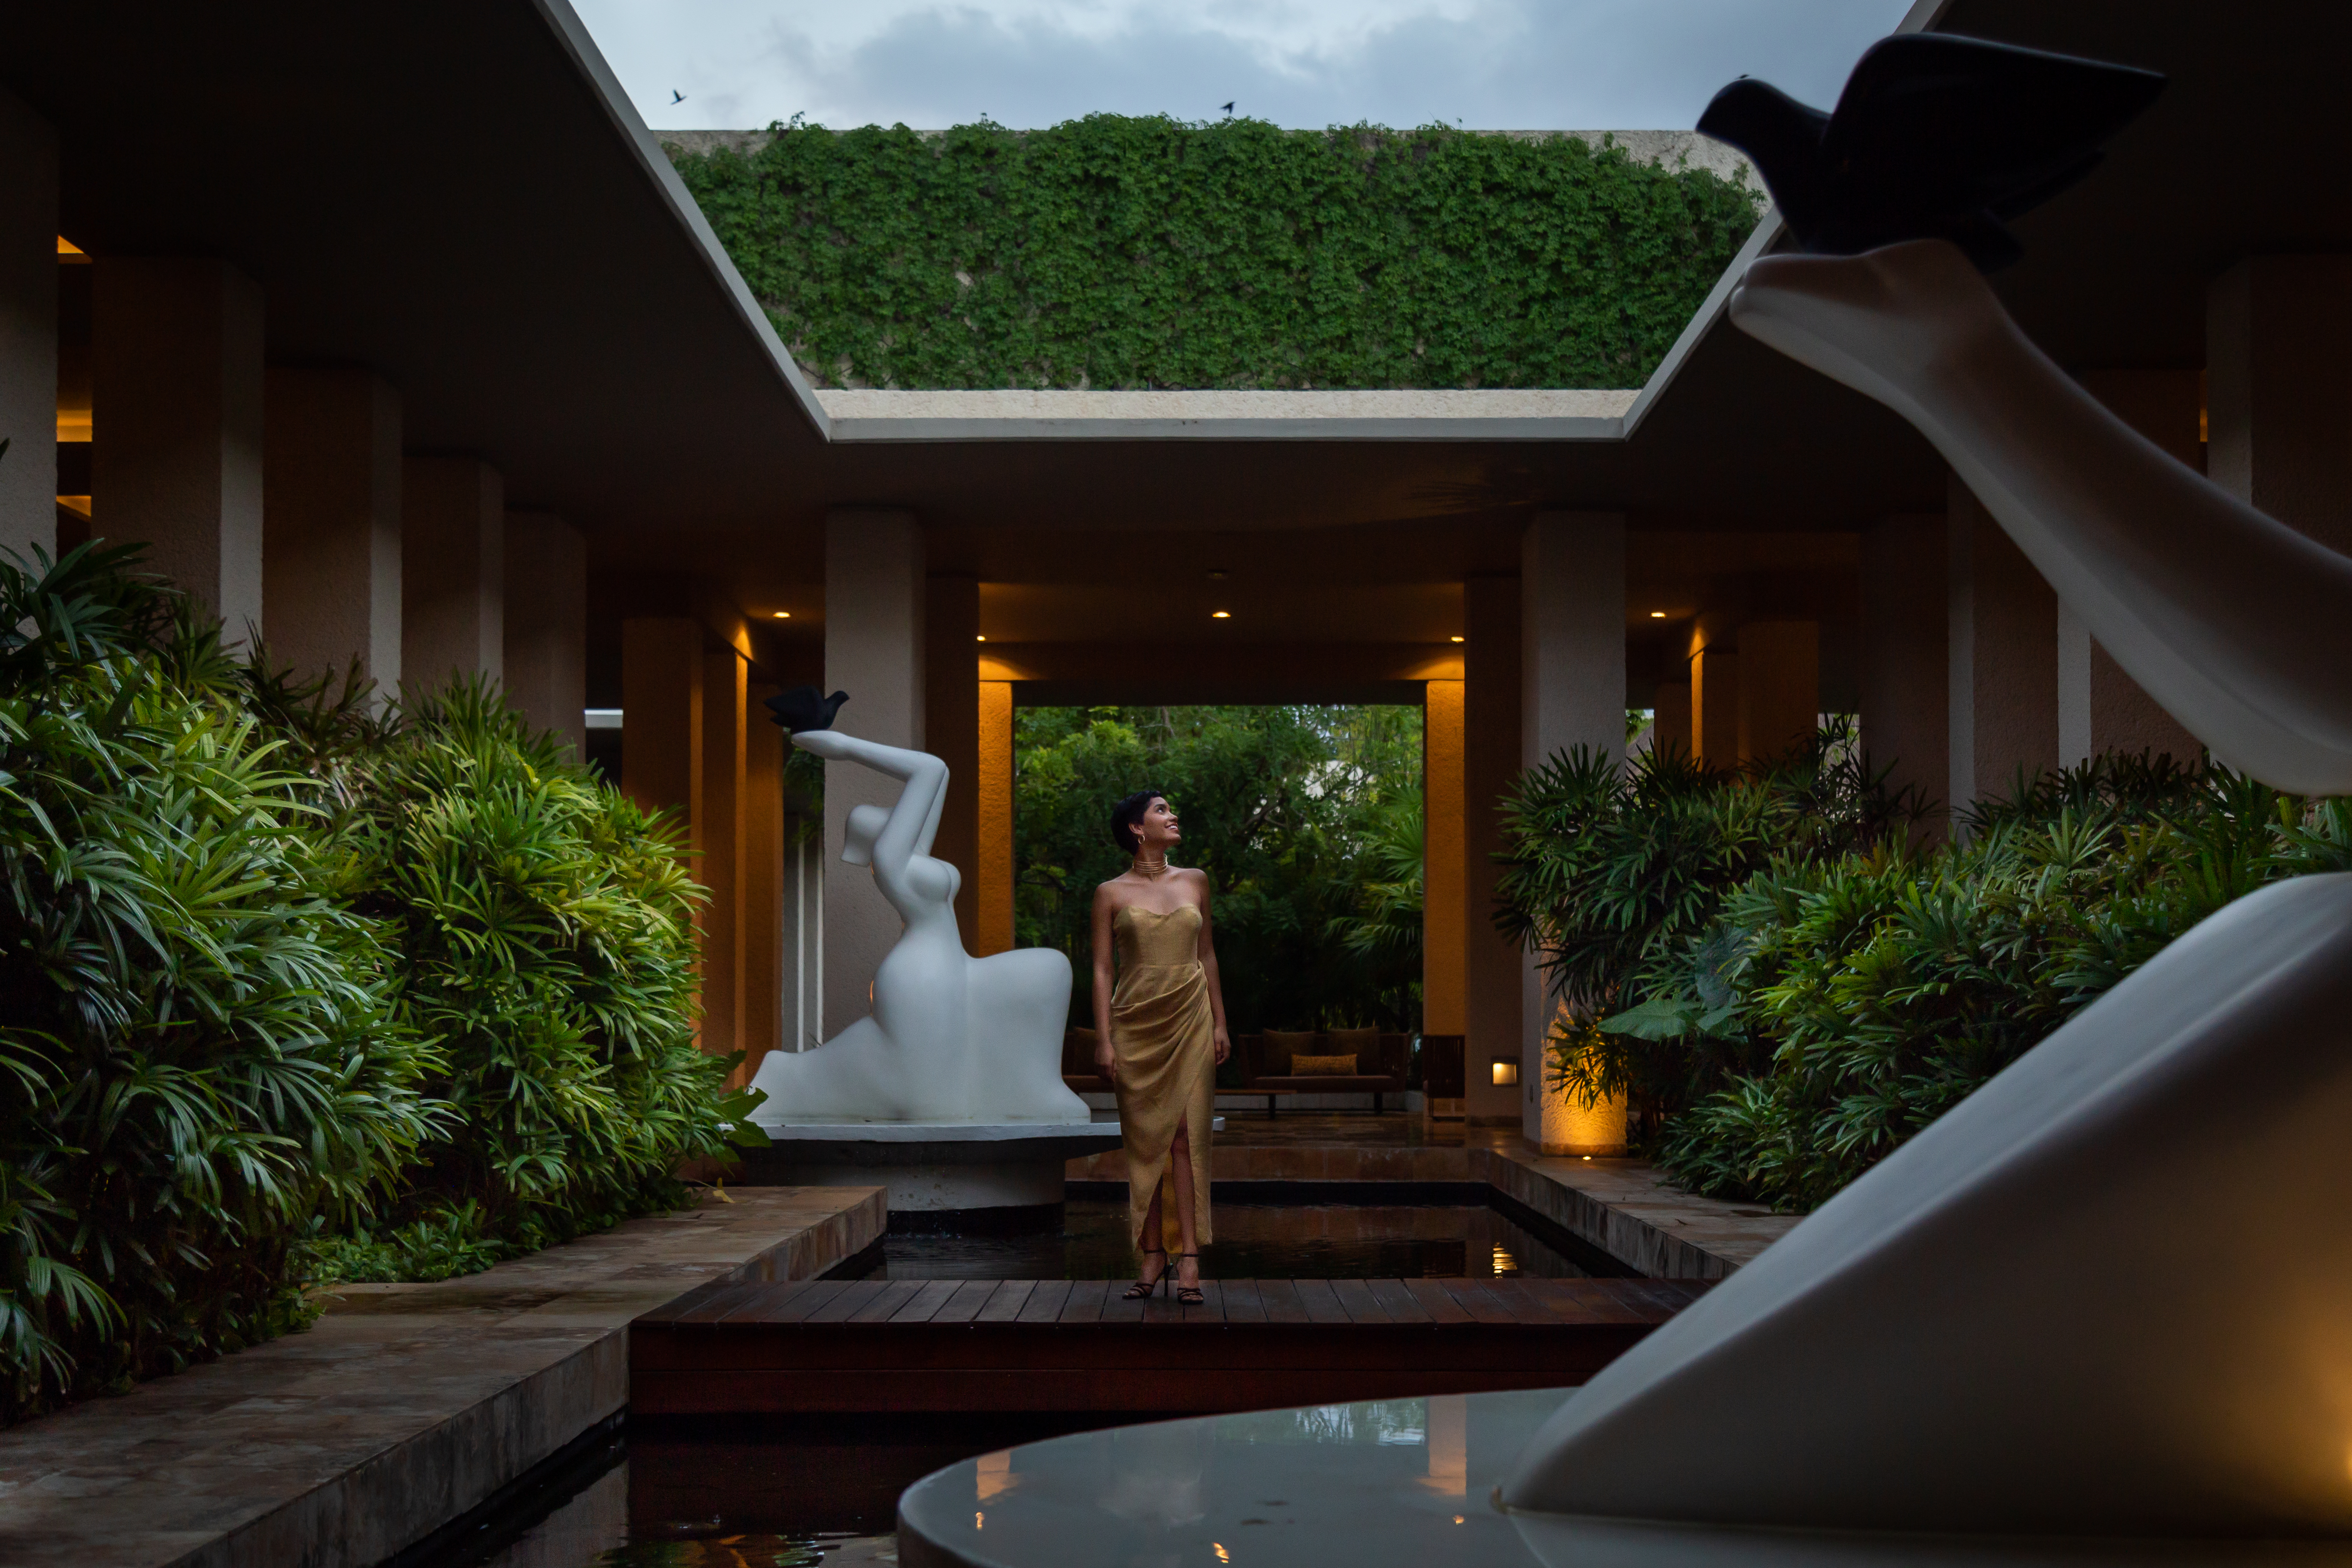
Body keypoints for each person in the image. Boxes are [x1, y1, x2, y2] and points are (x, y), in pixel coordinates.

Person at [747, 728, 1084, 1123]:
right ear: (876, 837)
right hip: (920, 973)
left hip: (954, 965)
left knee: (1048, 969)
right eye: (877, 815)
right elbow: (929, 769)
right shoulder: (892, 864)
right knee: (930, 1084)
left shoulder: (913, 858)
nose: (893, 814)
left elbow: (938, 777)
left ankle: (1035, 1090)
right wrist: (847, 748)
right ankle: (797, 1086)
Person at [1090, 790, 1230, 1305]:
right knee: (1147, 1140)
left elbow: (1208, 955)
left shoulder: (1195, 881)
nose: (1173, 817)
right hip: (1136, 1025)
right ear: (1135, 827)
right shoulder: (1110, 893)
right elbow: (1103, 970)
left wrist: (1221, 1022)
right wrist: (1103, 1039)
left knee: (1184, 1136)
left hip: (1191, 1018)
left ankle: (1189, 1256)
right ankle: (1152, 1253)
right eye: (1162, 811)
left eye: (1171, 810)